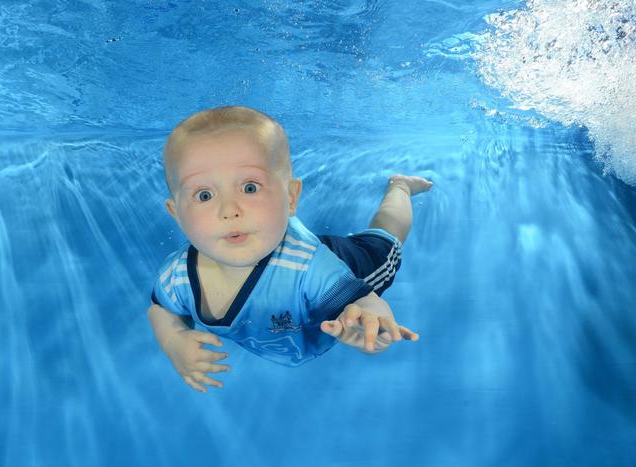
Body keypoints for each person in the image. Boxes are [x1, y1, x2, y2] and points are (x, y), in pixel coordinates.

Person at [147, 106, 433, 393]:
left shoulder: (312, 269)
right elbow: (161, 310)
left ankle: (401, 188)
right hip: (288, 247)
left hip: (351, 265)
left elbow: (367, 304)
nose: (229, 210)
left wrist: (371, 325)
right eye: (204, 195)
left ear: (291, 197)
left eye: (249, 187)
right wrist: (174, 343)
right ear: (176, 214)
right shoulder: (178, 275)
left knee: (386, 239)